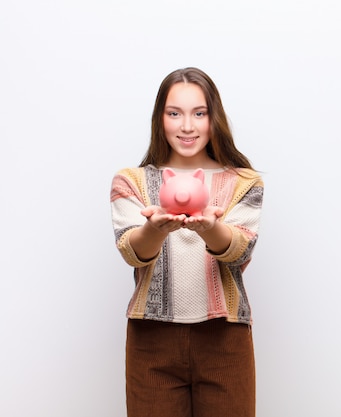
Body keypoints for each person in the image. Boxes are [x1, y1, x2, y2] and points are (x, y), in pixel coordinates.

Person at [110, 67, 263, 417]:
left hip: (225, 338)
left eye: (199, 113)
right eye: (174, 113)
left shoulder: (244, 181)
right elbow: (132, 252)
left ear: (214, 117)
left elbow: (240, 249)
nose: (187, 126)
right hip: (151, 338)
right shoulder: (131, 181)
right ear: (160, 118)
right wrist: (156, 229)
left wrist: (210, 228)